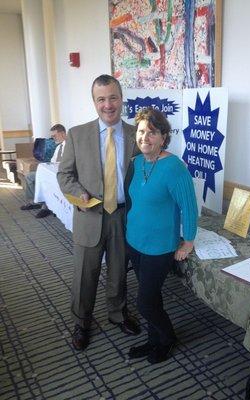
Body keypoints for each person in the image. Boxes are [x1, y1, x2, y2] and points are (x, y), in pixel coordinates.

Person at [57, 74, 141, 351]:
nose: (108, 105)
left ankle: (117, 314)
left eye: (113, 97)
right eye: (101, 99)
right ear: (94, 102)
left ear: (121, 99)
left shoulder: (135, 134)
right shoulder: (77, 134)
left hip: (122, 215)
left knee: (118, 271)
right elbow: (65, 174)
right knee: (85, 273)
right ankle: (82, 322)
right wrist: (77, 194)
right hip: (89, 215)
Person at [125, 108, 198, 364]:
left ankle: (167, 338)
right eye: (142, 131)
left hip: (159, 247)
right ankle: (153, 340)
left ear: (164, 137)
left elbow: (189, 207)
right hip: (135, 241)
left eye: (152, 132)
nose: (145, 137)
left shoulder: (175, 167)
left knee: (145, 302)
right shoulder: (136, 162)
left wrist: (188, 241)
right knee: (152, 297)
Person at [20, 124, 66, 218]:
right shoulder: (58, 147)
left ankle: (45, 207)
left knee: (46, 181)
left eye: (54, 136)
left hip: (62, 174)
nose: (53, 138)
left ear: (62, 133)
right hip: (52, 172)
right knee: (30, 176)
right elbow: (53, 161)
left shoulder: (71, 146)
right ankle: (34, 201)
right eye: (52, 136)